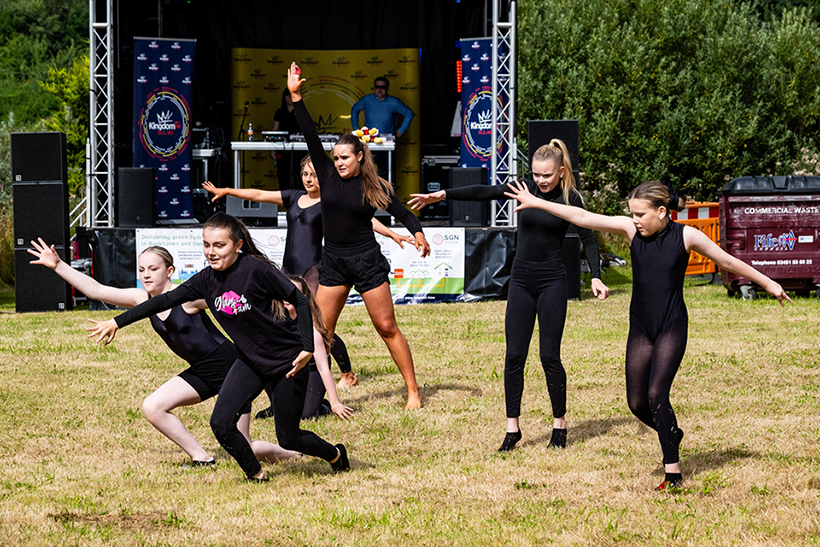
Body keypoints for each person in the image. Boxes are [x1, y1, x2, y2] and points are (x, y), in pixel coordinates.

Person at [505, 179, 792, 491]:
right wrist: (539, 202)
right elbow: (582, 217)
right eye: (632, 213)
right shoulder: (630, 231)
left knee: (657, 394)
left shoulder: (686, 236)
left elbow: (727, 260)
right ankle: (671, 431)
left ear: (662, 212)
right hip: (640, 327)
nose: (635, 220)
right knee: (637, 402)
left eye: (641, 214)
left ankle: (673, 475)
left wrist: (768, 282)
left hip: (671, 325)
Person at [87, 213, 350, 481]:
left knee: (290, 436)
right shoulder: (205, 281)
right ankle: (255, 475)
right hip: (250, 361)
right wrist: (117, 322)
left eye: (219, 245)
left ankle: (336, 455)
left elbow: (300, 299)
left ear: (237, 245)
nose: (211, 252)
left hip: (287, 362)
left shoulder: (256, 269)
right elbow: (161, 302)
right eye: (206, 245)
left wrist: (307, 346)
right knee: (221, 424)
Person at [409, 140, 610, 452]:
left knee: (549, 356)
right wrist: (442, 195)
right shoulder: (522, 188)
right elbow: (484, 192)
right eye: (536, 174)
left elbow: (589, 237)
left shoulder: (571, 198)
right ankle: (512, 429)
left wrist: (595, 276)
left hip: (552, 280)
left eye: (546, 175)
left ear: (560, 172)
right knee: (514, 356)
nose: (540, 180)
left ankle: (559, 424)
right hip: (521, 280)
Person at [28, 239, 299, 466]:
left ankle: (293, 453)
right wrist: (58, 265)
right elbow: (97, 290)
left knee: (244, 447)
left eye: (153, 269)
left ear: (169, 271)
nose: (146, 274)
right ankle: (201, 458)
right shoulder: (141, 299)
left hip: (232, 368)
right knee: (153, 407)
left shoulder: (189, 297)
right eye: (142, 269)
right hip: (201, 372)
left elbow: (234, 295)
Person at [203, 155, 412, 395]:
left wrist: (392, 235)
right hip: (287, 269)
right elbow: (259, 195)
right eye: (305, 174)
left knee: (317, 326)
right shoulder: (293, 197)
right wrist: (227, 190)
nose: (310, 179)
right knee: (283, 321)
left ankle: (346, 373)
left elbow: (368, 220)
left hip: (313, 271)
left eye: (315, 175)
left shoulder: (330, 201)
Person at [288, 62, 430, 410]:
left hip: (366, 261)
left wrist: (419, 232)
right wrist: (296, 96)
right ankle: (309, 400)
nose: (338, 162)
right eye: (335, 157)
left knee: (386, 327)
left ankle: (412, 390)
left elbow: (401, 211)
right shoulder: (326, 173)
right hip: (333, 262)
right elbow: (308, 132)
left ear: (359, 156)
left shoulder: (373, 186)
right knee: (319, 333)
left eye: (344, 158)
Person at [283, 274, 353, 420]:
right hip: (291, 369)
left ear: (303, 298)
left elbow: (323, 368)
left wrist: (335, 403)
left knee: (307, 415)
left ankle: (323, 404)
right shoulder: (275, 322)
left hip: (313, 369)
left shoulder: (311, 330)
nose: (287, 296)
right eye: (284, 291)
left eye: (293, 292)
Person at [270, 89, 300, 189]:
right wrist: (272, 148)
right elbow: (274, 130)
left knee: (299, 177)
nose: (290, 98)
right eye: (287, 95)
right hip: (283, 149)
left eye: (292, 95)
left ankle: (299, 202)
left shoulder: (300, 111)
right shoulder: (280, 112)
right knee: (283, 176)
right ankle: (285, 202)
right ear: (284, 97)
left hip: (299, 149)